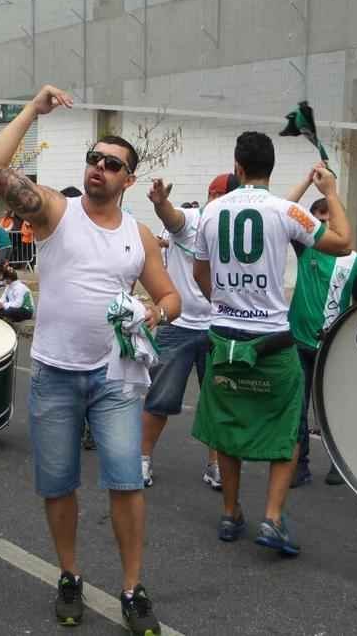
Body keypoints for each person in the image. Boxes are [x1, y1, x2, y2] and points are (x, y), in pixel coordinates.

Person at [0, 84, 180, 635]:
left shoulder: (139, 237)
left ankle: (134, 588)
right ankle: (69, 575)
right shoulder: (55, 213)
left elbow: (171, 297)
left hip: (115, 379)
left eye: (112, 164)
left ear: (128, 179)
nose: (98, 168)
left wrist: (153, 315)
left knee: (125, 484)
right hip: (54, 375)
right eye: (94, 159)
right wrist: (31, 111)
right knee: (59, 483)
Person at [191, 132, 352, 559]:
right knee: (284, 426)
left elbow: (199, 274)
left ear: (237, 167)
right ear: (270, 169)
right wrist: (331, 192)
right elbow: (343, 242)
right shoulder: (288, 211)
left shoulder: (211, 212)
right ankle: (273, 517)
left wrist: (222, 303)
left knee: (227, 424)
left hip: (224, 337)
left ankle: (230, 512)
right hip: (273, 340)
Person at [283, 166, 357, 489]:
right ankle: (299, 464)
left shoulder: (355, 261)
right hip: (299, 342)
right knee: (297, 409)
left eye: (330, 215)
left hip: (335, 346)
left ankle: (340, 463)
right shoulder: (307, 248)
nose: (324, 221)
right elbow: (282, 210)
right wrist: (307, 180)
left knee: (334, 408)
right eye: (318, 216)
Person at [139, 174, 223, 492]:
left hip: (216, 327)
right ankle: (142, 459)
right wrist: (161, 202)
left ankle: (216, 464)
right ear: (212, 196)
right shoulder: (193, 220)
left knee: (218, 401)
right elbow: (171, 218)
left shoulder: (230, 228)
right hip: (178, 327)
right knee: (160, 398)